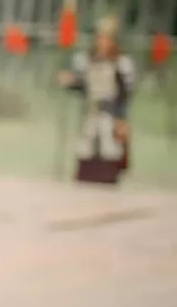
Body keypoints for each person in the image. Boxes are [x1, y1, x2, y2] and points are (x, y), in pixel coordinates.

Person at [57, 14, 135, 185]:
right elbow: (84, 86)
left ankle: (108, 176)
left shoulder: (120, 64)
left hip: (110, 111)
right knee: (86, 142)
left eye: (107, 38)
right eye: (100, 38)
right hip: (92, 109)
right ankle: (86, 174)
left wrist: (122, 119)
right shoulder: (87, 61)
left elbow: (124, 94)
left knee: (109, 145)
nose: (103, 42)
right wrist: (70, 82)